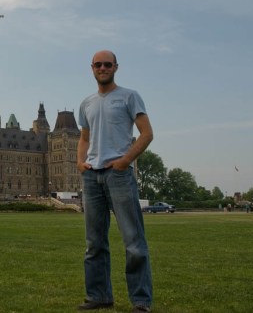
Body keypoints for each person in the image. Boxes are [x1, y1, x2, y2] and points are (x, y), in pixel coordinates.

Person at [76, 50, 154, 313]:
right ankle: (99, 296)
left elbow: (146, 134)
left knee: (133, 241)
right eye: (98, 64)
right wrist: (80, 163)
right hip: (92, 176)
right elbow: (84, 138)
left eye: (107, 64)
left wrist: (125, 161)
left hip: (118, 175)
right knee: (94, 243)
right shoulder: (87, 103)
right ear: (92, 68)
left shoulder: (129, 96)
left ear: (116, 67)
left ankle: (141, 301)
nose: (102, 68)